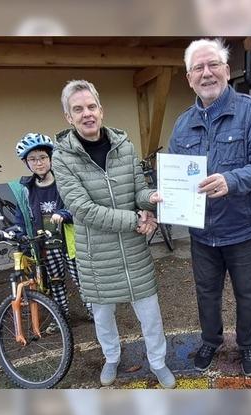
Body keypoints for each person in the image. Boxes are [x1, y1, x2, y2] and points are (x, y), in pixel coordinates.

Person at [166, 38, 251, 376]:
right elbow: (174, 174)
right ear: (188, 78)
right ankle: (211, 340)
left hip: (244, 228)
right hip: (203, 231)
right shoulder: (182, 124)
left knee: (248, 295)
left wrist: (232, 181)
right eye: (198, 68)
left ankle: (248, 346)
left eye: (213, 65)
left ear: (227, 71)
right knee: (206, 293)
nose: (207, 73)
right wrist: (164, 198)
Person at [52, 80, 176, 389]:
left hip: (133, 250)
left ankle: (158, 362)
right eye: (78, 109)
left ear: (101, 110)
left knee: (150, 313)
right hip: (96, 255)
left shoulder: (124, 145)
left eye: (91, 107)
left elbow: (138, 189)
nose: (87, 114)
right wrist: (136, 218)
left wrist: (152, 201)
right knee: (103, 318)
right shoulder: (62, 158)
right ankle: (111, 357)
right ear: (68, 117)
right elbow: (82, 209)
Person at [10, 132, 92, 322]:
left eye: (43, 158)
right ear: (26, 163)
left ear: (51, 158)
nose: (39, 163)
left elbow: (80, 205)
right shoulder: (25, 190)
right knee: (55, 283)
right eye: (33, 159)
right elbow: (21, 217)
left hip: (69, 244)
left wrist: (64, 214)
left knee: (82, 280)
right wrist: (17, 232)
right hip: (46, 247)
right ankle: (61, 317)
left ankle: (92, 311)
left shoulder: (65, 182)